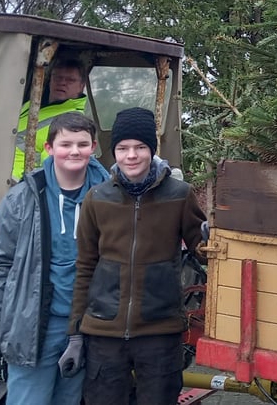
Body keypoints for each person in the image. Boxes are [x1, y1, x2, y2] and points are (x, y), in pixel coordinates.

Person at [61, 106, 207, 405]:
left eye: (140, 147)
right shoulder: (98, 198)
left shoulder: (180, 194)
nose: (131, 156)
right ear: (114, 151)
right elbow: (86, 266)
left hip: (160, 332)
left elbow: (202, 253)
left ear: (151, 151)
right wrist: (76, 335)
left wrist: (210, 238)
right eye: (123, 148)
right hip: (104, 333)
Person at [0, 112, 110, 405]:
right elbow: (0, 268)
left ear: (93, 147)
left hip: (88, 324)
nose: (74, 151)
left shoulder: (110, 195)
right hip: (36, 326)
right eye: (66, 144)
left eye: (82, 144)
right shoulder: (21, 200)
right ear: (49, 148)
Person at [13, 58, 89, 179]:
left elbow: (53, 170)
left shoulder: (74, 123)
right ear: (50, 79)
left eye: (70, 80)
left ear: (81, 86)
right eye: (58, 77)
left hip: (20, 186)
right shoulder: (31, 105)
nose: (62, 83)